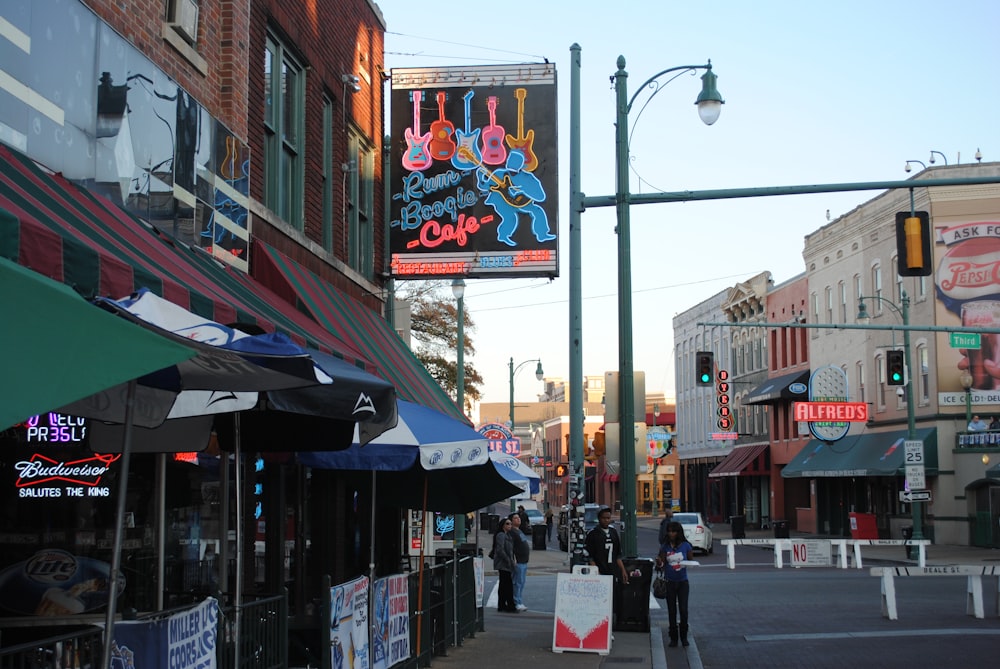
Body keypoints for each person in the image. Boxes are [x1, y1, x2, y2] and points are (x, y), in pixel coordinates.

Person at [585, 506, 629, 623]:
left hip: (612, 571)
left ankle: (610, 624)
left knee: (612, 600)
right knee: (600, 601)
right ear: (599, 519)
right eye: (604, 518)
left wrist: (623, 570)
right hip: (600, 571)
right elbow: (590, 556)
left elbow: (618, 554)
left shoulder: (613, 532)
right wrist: (596, 571)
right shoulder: (593, 534)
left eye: (608, 518)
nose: (606, 520)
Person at [657, 521, 694, 648]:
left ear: (678, 533)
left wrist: (686, 563)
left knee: (683, 609)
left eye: (673, 531)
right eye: (669, 531)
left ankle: (684, 636)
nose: (671, 533)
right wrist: (660, 562)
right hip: (669, 582)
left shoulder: (685, 546)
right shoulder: (665, 547)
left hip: (683, 581)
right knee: (671, 610)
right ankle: (673, 637)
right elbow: (661, 565)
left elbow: (691, 560)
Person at [492, 518, 517, 612]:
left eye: (510, 523)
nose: (510, 525)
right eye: (507, 524)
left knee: (504, 585)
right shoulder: (501, 535)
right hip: (503, 564)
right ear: (503, 525)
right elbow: (500, 549)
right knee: (507, 585)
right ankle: (509, 605)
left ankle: (502, 605)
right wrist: (508, 560)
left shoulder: (508, 535)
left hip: (507, 563)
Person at [508, 513, 531, 611]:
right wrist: (514, 559)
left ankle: (519, 601)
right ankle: (516, 602)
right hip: (518, 561)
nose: (518, 519)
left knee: (521, 582)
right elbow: (511, 547)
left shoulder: (519, 531)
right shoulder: (512, 532)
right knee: (517, 582)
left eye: (518, 518)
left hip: (524, 561)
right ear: (511, 521)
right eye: (515, 518)